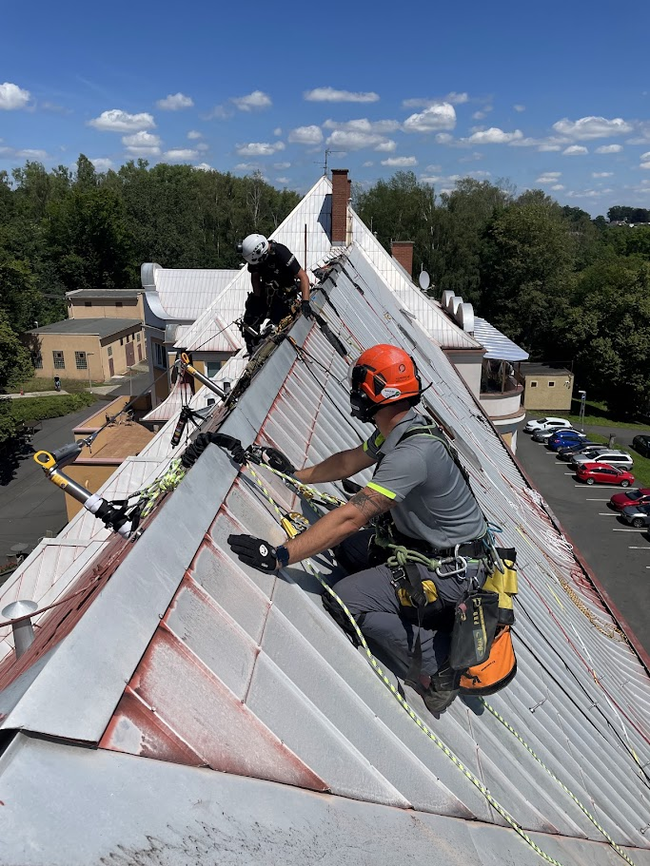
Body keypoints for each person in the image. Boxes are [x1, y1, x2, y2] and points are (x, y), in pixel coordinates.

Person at [229, 344, 490, 715]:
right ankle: (405, 608)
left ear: (378, 393)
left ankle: (442, 663)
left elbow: (354, 515)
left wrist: (280, 556)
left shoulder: (411, 455)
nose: (355, 395)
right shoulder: (400, 429)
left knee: (344, 599)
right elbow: (350, 461)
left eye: (359, 387)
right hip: (434, 551)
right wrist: (294, 476)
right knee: (350, 548)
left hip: (450, 573)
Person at [238, 234, 312, 354]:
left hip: (283, 296)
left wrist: (305, 302)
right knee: (250, 319)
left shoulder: (281, 252)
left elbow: (303, 276)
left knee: (277, 323)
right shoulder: (255, 257)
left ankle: (270, 346)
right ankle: (253, 349)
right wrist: (257, 299)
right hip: (266, 293)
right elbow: (255, 278)